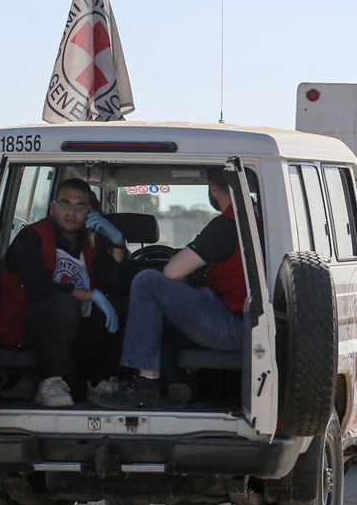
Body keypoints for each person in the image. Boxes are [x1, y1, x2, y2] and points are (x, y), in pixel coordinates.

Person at [95, 167, 250, 409]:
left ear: (212, 186)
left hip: (233, 326)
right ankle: (176, 383)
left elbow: (172, 272)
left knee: (147, 282)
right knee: (159, 322)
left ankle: (147, 385)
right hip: (253, 326)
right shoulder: (258, 219)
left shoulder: (226, 226)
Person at [0, 178, 127, 408]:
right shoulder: (32, 237)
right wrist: (91, 295)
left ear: (89, 212)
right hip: (24, 325)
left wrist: (117, 242)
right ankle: (51, 381)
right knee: (65, 304)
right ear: (52, 207)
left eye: (80, 206)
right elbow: (38, 288)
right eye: (65, 204)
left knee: (124, 305)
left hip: (73, 326)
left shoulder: (90, 242)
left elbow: (116, 286)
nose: (71, 212)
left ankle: (97, 382)